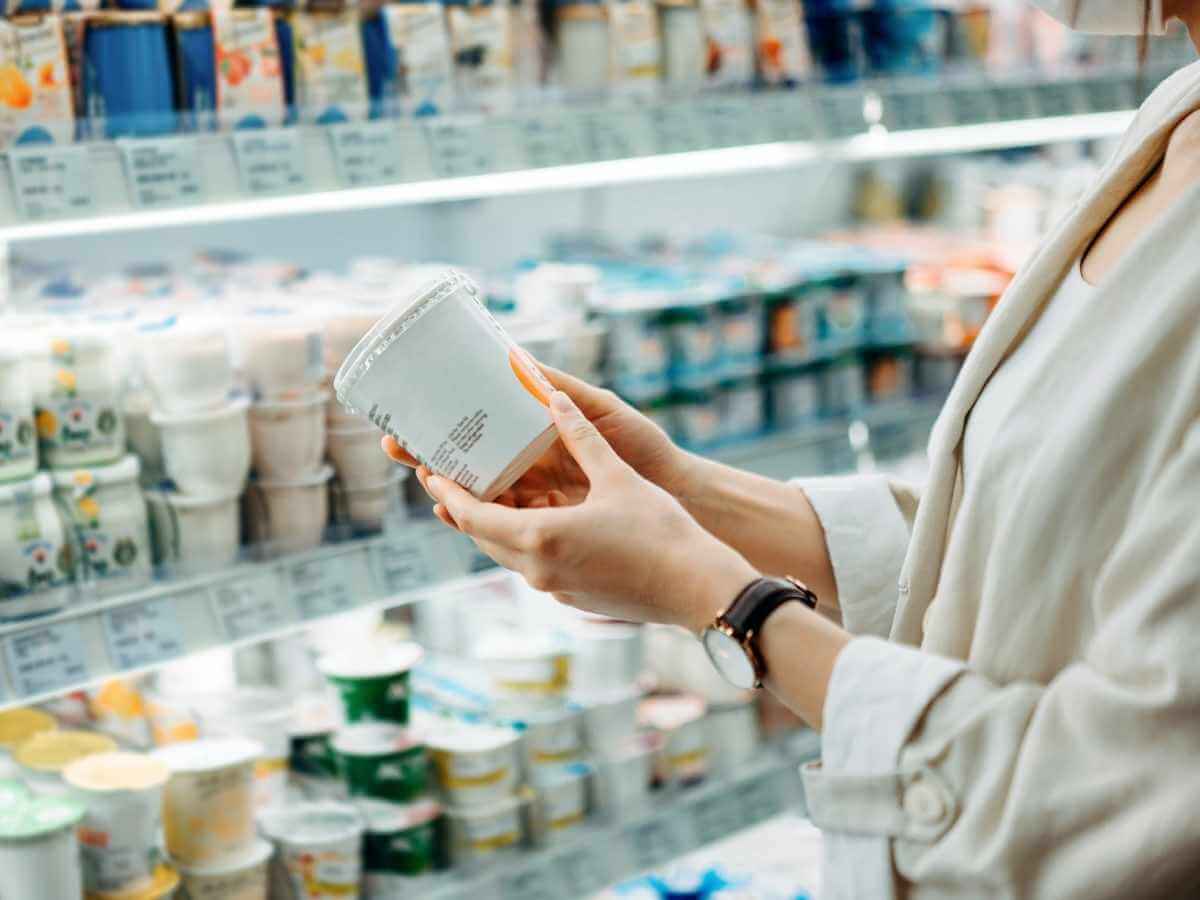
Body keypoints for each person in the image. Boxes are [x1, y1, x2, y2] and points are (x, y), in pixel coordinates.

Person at [384, 1, 1200, 894]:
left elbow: (1125, 799)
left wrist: (713, 597)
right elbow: (1026, 553)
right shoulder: (1177, 111)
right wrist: (685, 493)